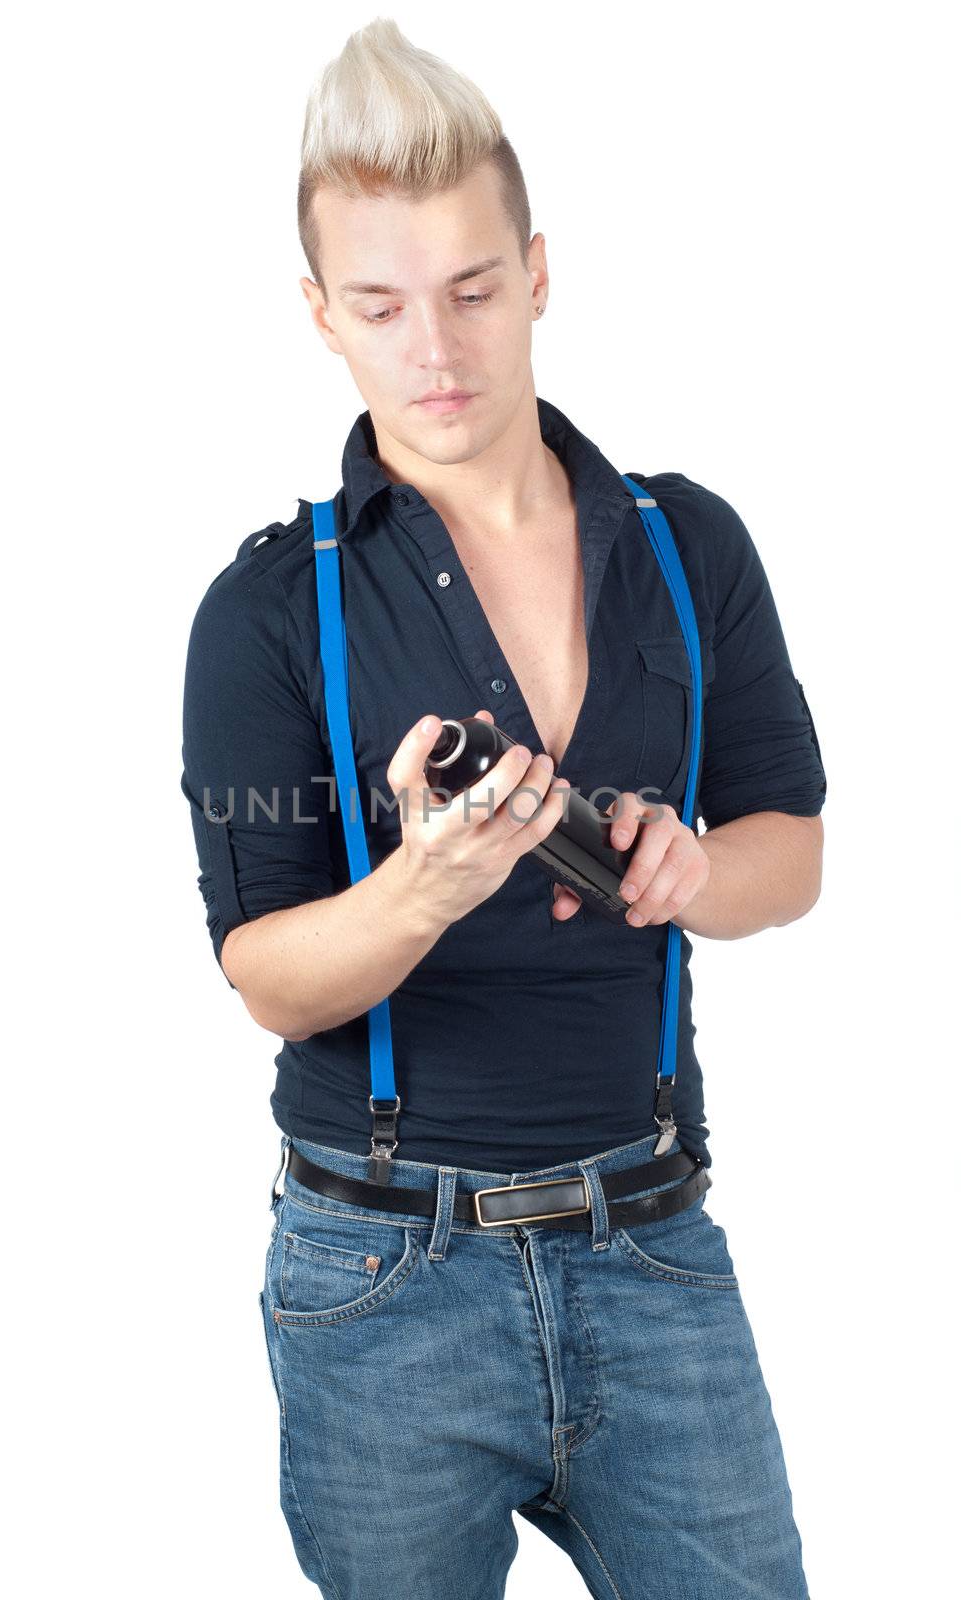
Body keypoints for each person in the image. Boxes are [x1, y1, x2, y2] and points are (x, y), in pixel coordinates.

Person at [179, 18, 826, 1599]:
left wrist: (691, 874)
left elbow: (790, 853)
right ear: (321, 318)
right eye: (384, 307)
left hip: (656, 1241)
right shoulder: (269, 610)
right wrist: (426, 882)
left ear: (539, 270)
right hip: (380, 1279)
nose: (438, 350)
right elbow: (263, 973)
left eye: (472, 290)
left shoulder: (689, 546)